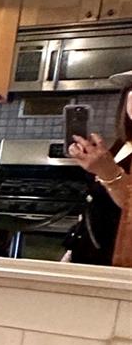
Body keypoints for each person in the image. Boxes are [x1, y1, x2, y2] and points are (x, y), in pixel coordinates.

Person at [66, 83, 132, 266]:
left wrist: (108, 172)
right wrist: (72, 250)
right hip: (90, 255)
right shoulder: (121, 144)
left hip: (117, 265)